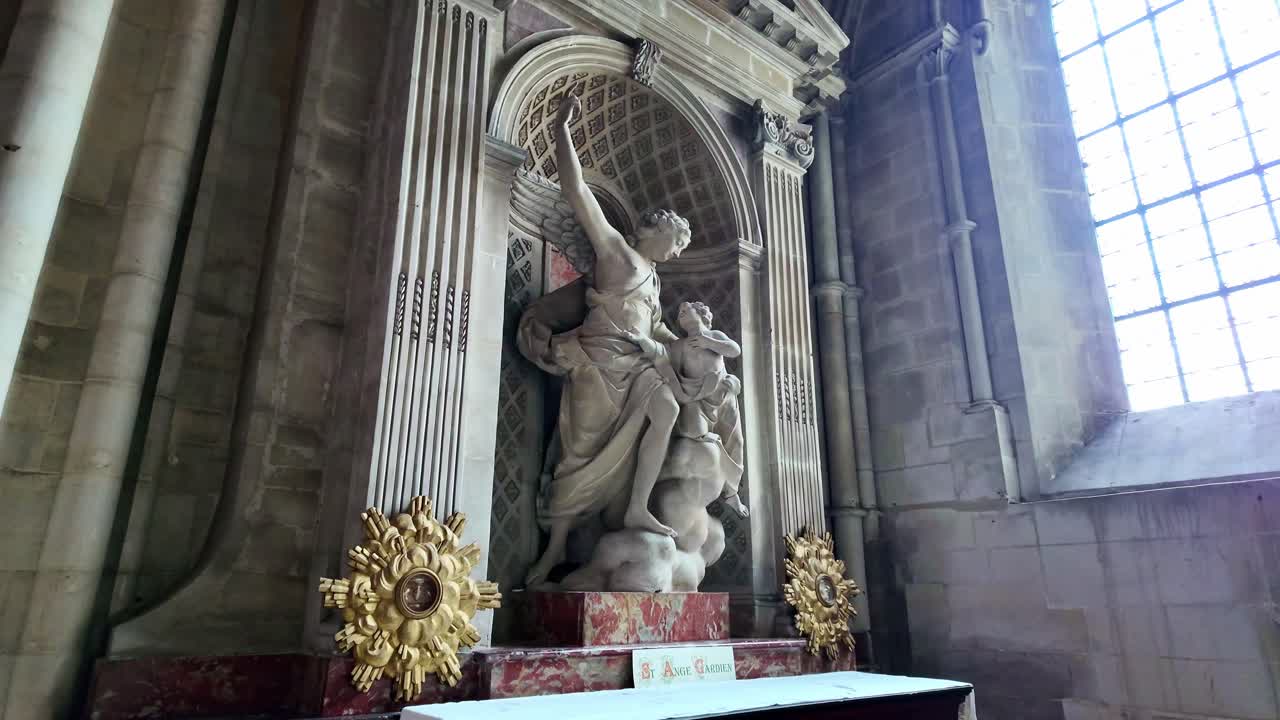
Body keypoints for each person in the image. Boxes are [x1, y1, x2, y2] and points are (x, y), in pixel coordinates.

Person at [519, 94, 692, 587]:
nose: (677, 252)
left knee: (671, 409)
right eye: (675, 241)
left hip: (637, 370)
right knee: (578, 460)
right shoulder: (617, 253)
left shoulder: (655, 279)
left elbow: (650, 327)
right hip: (596, 366)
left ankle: (636, 507)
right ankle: (552, 554)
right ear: (652, 231)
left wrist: (681, 346)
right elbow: (576, 191)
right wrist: (562, 130)